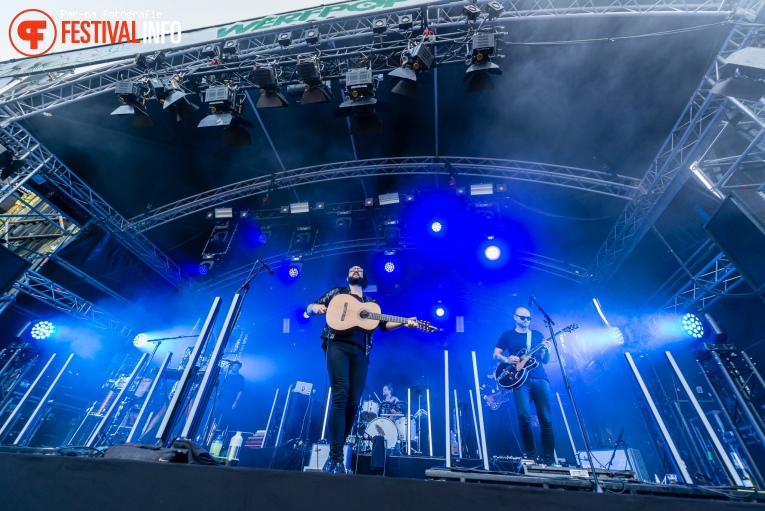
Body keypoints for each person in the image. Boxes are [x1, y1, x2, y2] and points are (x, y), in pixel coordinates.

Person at [306, 265, 418, 473]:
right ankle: (336, 457)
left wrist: (405, 322)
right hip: (337, 344)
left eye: (360, 269)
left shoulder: (372, 303)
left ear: (364, 277)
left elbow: (383, 325)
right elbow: (310, 307)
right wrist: (315, 308)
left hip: (361, 352)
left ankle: (335, 456)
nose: (356, 270)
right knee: (341, 395)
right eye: (352, 269)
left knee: (353, 403)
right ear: (347, 276)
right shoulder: (337, 293)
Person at [493, 306, 555, 465]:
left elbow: (545, 359)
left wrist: (547, 350)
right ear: (515, 317)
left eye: (528, 318)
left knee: (546, 419)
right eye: (523, 318)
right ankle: (532, 458)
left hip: (540, 378)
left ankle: (550, 460)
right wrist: (507, 360)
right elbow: (496, 354)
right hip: (519, 380)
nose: (526, 320)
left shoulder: (537, 335)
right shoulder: (507, 335)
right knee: (524, 417)